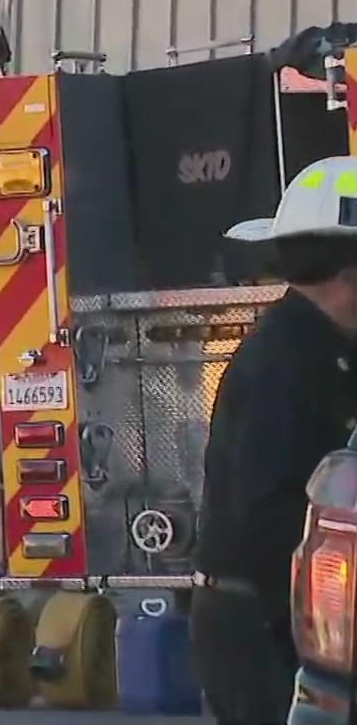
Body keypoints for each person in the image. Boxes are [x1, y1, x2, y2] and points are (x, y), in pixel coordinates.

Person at [195, 154, 357, 724]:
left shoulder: (326, 347)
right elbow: (270, 513)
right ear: (345, 272)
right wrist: (311, 638)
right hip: (262, 629)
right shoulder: (287, 364)